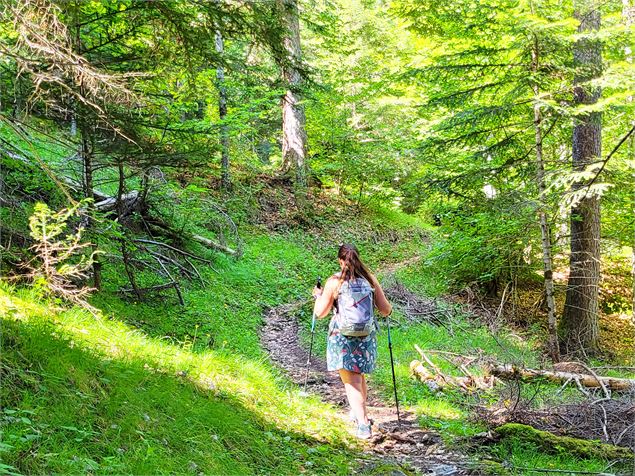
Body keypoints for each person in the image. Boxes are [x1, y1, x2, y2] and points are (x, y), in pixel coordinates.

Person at [312, 243, 392, 439]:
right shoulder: (370, 279)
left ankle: (363, 424)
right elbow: (386, 310)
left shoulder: (334, 282)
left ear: (340, 261)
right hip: (366, 338)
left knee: (352, 381)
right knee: (358, 376)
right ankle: (358, 413)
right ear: (358, 258)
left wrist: (318, 296)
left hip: (343, 338)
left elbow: (320, 313)